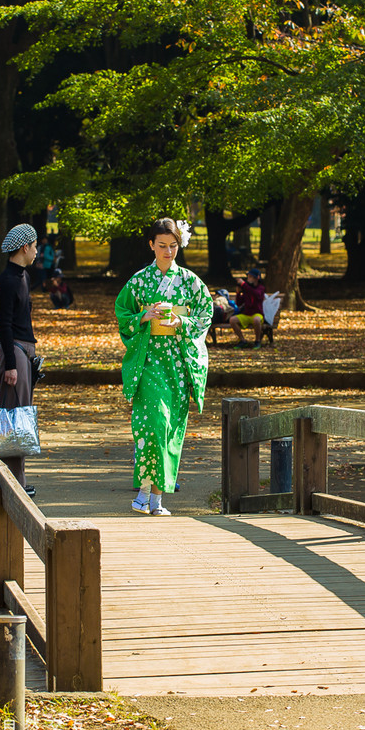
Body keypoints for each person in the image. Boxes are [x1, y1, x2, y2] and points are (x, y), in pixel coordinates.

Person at [114, 218, 213, 516]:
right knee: (153, 423)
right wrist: (143, 316)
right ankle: (143, 493)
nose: (168, 252)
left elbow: (205, 314)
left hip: (178, 363)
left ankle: (157, 500)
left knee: (169, 428)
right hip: (149, 360)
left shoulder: (191, 282)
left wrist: (181, 321)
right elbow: (123, 312)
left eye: (173, 246)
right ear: (151, 245)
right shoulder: (139, 281)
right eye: (162, 246)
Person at [0, 224, 40, 496]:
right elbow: (4, 325)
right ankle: (12, 482)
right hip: (15, 351)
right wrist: (11, 364)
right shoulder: (8, 280)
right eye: (34, 246)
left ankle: (17, 478)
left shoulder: (22, 276)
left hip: (24, 351)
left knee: (20, 416)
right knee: (12, 417)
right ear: (25, 247)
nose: (36, 252)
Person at [230, 267, 267, 348]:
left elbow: (256, 294)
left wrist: (243, 284)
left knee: (256, 320)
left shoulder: (261, 288)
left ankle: (257, 341)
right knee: (232, 320)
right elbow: (239, 303)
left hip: (257, 314)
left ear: (257, 278)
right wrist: (238, 293)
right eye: (248, 277)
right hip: (246, 314)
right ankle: (242, 340)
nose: (248, 279)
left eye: (250, 277)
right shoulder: (247, 288)